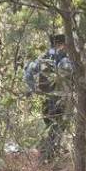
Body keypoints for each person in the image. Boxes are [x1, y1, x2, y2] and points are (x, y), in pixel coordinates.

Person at [24, 33, 73, 162]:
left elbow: (28, 74)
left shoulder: (42, 58)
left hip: (46, 98)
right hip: (60, 99)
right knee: (57, 127)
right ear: (61, 44)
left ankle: (48, 156)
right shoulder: (65, 60)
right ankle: (46, 157)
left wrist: (34, 90)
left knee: (50, 126)